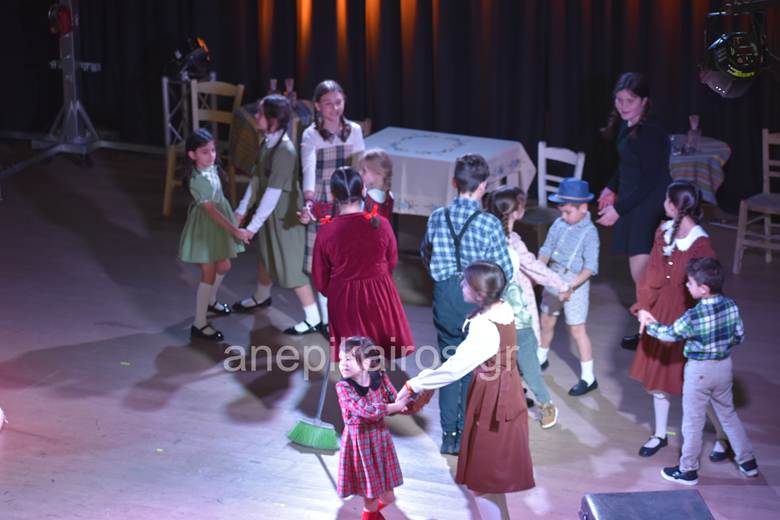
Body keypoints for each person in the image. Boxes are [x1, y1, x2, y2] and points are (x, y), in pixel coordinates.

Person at [398, 261, 534, 520]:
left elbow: (455, 368)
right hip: (503, 394)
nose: (461, 285)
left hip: (494, 402)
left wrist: (414, 384)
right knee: (491, 482)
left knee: (482, 483)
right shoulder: (502, 308)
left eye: (466, 283)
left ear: (479, 293)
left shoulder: (485, 326)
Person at [421, 153, 513, 454]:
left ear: (454, 183)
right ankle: (467, 434)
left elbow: (426, 253)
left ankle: (449, 435)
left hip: (446, 294)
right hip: (476, 295)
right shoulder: (489, 223)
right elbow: (504, 270)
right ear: (483, 185)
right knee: (475, 365)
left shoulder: (437, 217)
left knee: (450, 363)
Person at [638, 257, 759, 485]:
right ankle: (748, 462)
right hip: (724, 367)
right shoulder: (731, 305)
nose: (687, 285)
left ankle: (688, 470)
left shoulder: (693, 316)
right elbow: (739, 336)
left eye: (690, 283)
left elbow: (669, 335)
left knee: (693, 422)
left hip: (699, 371)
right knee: (728, 414)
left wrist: (649, 324)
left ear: (703, 289)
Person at [629, 181, 718, 458]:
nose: (663, 204)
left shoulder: (700, 244)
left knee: (697, 383)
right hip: (662, 313)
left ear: (673, 205)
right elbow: (652, 274)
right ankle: (659, 434)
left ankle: (722, 435)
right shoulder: (664, 231)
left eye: (666, 200)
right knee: (658, 378)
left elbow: (707, 288)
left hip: (689, 318)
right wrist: (644, 307)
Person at [230, 95, 321, 335]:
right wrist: (241, 210)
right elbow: (257, 179)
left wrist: (251, 227)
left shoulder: (285, 151)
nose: (256, 116)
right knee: (266, 254)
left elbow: (272, 194)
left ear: (273, 119)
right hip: (270, 212)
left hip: (285, 215)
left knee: (290, 264)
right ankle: (262, 296)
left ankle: (313, 317)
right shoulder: (267, 143)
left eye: (260, 113)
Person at [595, 72, 672, 351]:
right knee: (642, 278)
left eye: (630, 100)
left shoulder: (650, 132)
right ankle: (648, 332)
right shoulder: (629, 124)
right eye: (619, 100)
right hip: (633, 202)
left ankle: (653, 335)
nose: (623, 106)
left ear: (644, 101)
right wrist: (611, 186)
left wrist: (619, 209)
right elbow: (627, 164)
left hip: (646, 207)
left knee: (643, 278)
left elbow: (651, 179)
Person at [485, 186, 570, 428]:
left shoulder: (490, 238)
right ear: (517, 212)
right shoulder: (510, 242)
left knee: (514, 361)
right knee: (523, 362)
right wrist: (561, 284)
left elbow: (528, 269)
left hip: (501, 311)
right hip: (512, 312)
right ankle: (544, 403)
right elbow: (533, 267)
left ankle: (534, 400)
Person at [311, 167, 414, 362]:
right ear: (363, 190)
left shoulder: (327, 232)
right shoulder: (381, 224)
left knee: (352, 354)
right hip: (379, 293)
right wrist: (378, 277)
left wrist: (334, 290)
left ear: (333, 196)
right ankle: (376, 380)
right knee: (375, 349)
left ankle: (357, 381)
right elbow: (392, 260)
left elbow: (319, 277)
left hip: (344, 298)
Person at [300, 80, 365, 335]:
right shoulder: (311, 134)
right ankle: (328, 321)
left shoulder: (354, 130)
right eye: (328, 103)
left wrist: (364, 197)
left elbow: (360, 167)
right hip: (324, 201)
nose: (334, 108)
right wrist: (309, 202)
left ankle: (348, 315)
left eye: (338, 102)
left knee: (348, 263)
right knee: (325, 264)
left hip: (348, 200)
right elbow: (308, 170)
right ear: (317, 106)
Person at [178, 128, 251, 341]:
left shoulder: (212, 168)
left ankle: (210, 300)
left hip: (218, 223)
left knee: (224, 265)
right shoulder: (198, 179)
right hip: (205, 228)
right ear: (192, 155)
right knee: (208, 273)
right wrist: (235, 230)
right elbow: (210, 211)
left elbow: (219, 201)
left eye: (212, 150)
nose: (211, 155)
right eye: (204, 152)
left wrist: (233, 217)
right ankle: (199, 323)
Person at [537, 178, 600, 396]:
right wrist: (539, 270)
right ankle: (541, 357)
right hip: (553, 276)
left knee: (577, 330)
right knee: (546, 320)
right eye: (561, 211)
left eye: (568, 212)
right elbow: (546, 249)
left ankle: (588, 377)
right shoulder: (559, 223)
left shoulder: (590, 232)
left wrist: (570, 286)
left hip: (575, 282)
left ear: (583, 208)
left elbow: (590, 267)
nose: (564, 216)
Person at [335, 336, 409, 520]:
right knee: (371, 499)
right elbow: (367, 411)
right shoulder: (343, 387)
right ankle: (371, 515)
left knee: (388, 497)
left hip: (379, 439)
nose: (343, 363)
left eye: (349, 359)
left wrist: (405, 401)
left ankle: (372, 516)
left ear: (367, 363)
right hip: (360, 444)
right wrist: (394, 407)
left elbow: (393, 398)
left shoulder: (379, 377)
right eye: (341, 358)